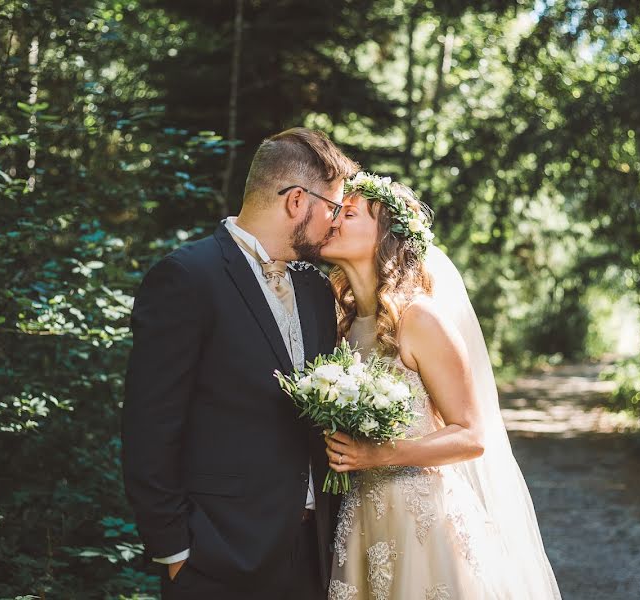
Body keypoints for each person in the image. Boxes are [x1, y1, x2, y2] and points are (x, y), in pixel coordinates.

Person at [121, 127, 358, 599]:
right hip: (217, 557)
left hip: (313, 556)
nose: (334, 223)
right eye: (331, 208)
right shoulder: (188, 276)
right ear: (296, 201)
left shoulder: (314, 288)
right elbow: (149, 426)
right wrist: (175, 552)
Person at [319, 172, 562, 599]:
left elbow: (471, 435)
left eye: (349, 214)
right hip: (361, 520)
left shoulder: (420, 319)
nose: (334, 221)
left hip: (424, 524)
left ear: (385, 237)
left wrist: (376, 454)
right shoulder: (342, 326)